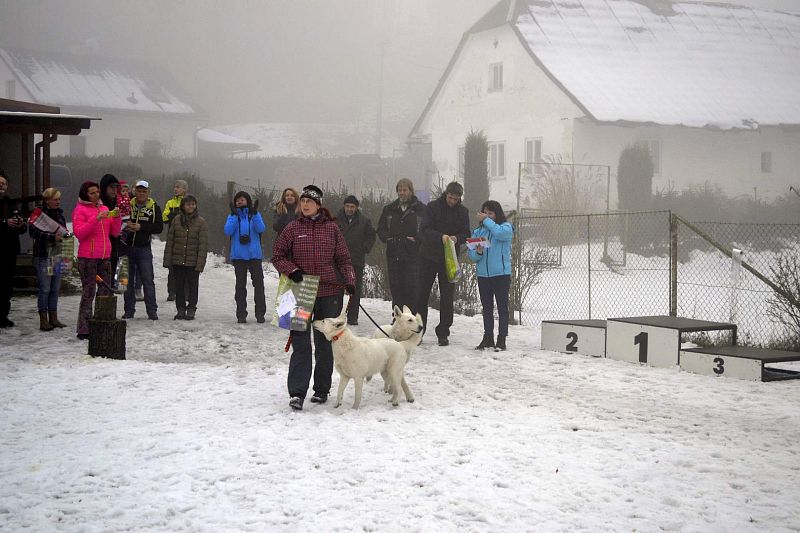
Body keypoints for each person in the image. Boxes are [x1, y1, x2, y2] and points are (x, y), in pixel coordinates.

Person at [272, 184, 355, 411]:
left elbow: (344, 259)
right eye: (303, 201)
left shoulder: (332, 229)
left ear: (318, 205)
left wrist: (349, 280)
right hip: (299, 291)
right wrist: (292, 270)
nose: (305, 204)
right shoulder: (291, 228)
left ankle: (321, 389)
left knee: (325, 343)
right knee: (300, 343)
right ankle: (297, 393)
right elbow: (277, 256)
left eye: (310, 201)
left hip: (329, 292)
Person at [416, 181, 470, 346]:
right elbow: (424, 229)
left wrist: (456, 238)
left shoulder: (463, 212)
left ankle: (443, 332)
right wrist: (440, 236)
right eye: (450, 197)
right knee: (421, 295)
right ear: (446, 194)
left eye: (456, 199)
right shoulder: (432, 207)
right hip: (428, 257)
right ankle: (419, 330)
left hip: (449, 260)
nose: (452, 201)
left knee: (447, 297)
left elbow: (466, 233)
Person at [72, 180, 122, 339]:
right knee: (89, 292)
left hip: (104, 256)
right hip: (87, 258)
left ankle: (101, 323)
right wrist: (96, 219)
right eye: (92, 193)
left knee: (105, 291)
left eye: (97, 192)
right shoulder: (80, 210)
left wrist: (117, 217)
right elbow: (79, 233)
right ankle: (84, 328)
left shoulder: (104, 208)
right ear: (85, 194)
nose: (95, 195)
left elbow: (114, 232)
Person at [467, 200, 513, 351]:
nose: (486, 216)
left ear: (496, 214)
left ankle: (502, 339)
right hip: (483, 275)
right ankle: (488, 338)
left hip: (501, 275)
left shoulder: (505, 227)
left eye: (490, 213)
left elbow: (500, 234)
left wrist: (486, 221)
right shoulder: (478, 232)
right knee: (487, 308)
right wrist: (478, 252)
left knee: (502, 308)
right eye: (485, 213)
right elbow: (472, 256)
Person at [376, 178, 426, 315]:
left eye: (405, 190)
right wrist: (389, 239)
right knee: (396, 289)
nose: (402, 193)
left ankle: (411, 319)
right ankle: (397, 319)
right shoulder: (389, 209)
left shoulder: (421, 209)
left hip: (413, 256)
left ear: (411, 191)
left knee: (412, 289)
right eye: (399, 190)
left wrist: (416, 239)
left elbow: (426, 230)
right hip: (394, 254)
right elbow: (381, 229)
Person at [163, 195, 208, 320]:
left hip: (193, 262)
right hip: (177, 260)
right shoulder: (176, 220)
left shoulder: (201, 222)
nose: (191, 206)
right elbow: (170, 241)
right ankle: (181, 309)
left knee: (193, 287)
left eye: (193, 204)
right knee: (179, 286)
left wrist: (200, 263)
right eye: (188, 204)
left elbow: (203, 245)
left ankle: (191, 308)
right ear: (183, 206)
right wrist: (167, 260)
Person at [123, 180, 163, 320]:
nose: (141, 194)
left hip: (144, 249)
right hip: (127, 247)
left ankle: (152, 311)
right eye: (139, 191)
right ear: (134, 191)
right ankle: (129, 311)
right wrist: (125, 224)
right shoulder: (127, 204)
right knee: (126, 281)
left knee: (148, 280)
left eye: (144, 191)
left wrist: (141, 227)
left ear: (148, 193)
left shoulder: (154, 207)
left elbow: (159, 227)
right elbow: (118, 219)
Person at [29, 187, 68, 331]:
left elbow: (63, 230)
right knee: (45, 288)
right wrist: (52, 237)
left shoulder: (60, 214)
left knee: (55, 288)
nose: (58, 202)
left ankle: (53, 317)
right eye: (55, 199)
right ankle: (43, 320)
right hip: (43, 255)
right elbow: (33, 232)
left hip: (57, 255)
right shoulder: (38, 213)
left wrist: (66, 236)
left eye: (59, 199)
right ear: (47, 200)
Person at [224, 191, 266, 323]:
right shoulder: (232, 216)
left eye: (242, 199)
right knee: (240, 286)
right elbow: (227, 231)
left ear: (248, 201)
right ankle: (241, 314)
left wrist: (255, 215)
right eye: (237, 200)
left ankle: (260, 314)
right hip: (239, 256)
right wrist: (233, 216)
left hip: (254, 255)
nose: (239, 202)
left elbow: (261, 229)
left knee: (259, 285)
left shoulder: (254, 214)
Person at [335, 194, 376, 325]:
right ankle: (336, 315)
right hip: (338, 261)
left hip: (356, 260)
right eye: (347, 206)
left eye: (352, 207)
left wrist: (365, 248)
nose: (349, 209)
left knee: (355, 290)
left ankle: (353, 317)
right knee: (337, 289)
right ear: (344, 206)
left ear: (356, 208)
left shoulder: (364, 221)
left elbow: (371, 236)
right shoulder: (335, 220)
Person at [0, 171, 27, 328]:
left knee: (7, 284)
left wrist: (20, 224)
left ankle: (3, 315)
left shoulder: (11, 203)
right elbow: (5, 222)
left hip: (10, 249)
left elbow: (21, 227)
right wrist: (4, 222)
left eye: (3, 184)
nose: (1, 186)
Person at [162, 179, 188, 301]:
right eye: (174, 186)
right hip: (173, 237)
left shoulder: (188, 202)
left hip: (186, 238)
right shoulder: (170, 203)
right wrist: (176, 216)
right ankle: (171, 292)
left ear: (184, 189)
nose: (175, 189)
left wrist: (174, 216)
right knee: (172, 267)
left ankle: (185, 293)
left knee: (187, 267)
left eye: (178, 187)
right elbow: (164, 217)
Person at [99, 173, 121, 275]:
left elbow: (115, 231)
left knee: (110, 284)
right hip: (99, 252)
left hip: (113, 249)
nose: (114, 190)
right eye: (111, 187)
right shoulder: (98, 205)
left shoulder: (115, 203)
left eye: (116, 187)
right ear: (104, 188)